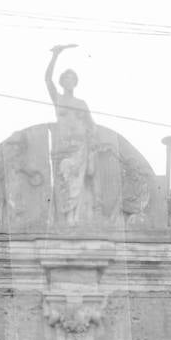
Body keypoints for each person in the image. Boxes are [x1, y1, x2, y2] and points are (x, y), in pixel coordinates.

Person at [44, 44, 97, 225]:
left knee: (76, 184)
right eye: (66, 78)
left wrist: (90, 143)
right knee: (63, 182)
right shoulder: (58, 99)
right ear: (62, 82)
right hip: (62, 147)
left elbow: (92, 125)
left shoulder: (81, 103)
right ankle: (65, 218)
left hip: (79, 147)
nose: (69, 80)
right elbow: (47, 80)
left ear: (75, 82)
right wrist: (55, 56)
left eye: (72, 78)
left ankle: (73, 218)